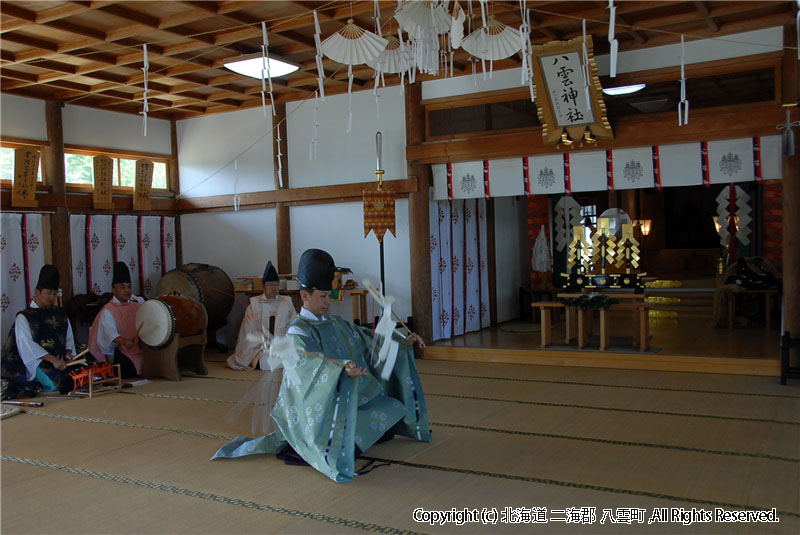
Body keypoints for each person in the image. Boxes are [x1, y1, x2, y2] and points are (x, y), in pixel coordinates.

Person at [213, 248, 432, 482]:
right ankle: (313, 444)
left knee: (395, 409)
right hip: (316, 412)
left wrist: (400, 341)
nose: (328, 302)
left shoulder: (334, 323)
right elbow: (307, 368)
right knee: (347, 440)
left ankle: (346, 439)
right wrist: (340, 370)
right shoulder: (298, 332)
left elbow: (367, 340)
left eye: (330, 296)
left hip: (347, 401)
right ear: (305, 295)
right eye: (323, 297)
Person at [1, 265, 76, 395]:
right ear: (37, 292)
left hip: (61, 361)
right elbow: (27, 346)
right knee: (58, 383)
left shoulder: (60, 314)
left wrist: (69, 352)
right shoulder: (24, 317)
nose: (52, 297)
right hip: (38, 362)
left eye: (54, 293)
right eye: (48, 293)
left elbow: (68, 337)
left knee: (83, 375)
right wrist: (52, 360)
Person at [227, 261, 297, 371]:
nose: (274, 288)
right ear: (264, 286)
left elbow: (294, 325)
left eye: (276, 285)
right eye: (270, 285)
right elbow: (248, 331)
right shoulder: (255, 305)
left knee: (295, 356)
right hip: (261, 347)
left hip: (282, 345)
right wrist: (264, 343)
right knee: (265, 361)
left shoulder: (286, 303)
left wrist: (282, 341)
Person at [87, 262, 144, 378]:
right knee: (128, 369)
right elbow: (110, 335)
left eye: (129, 287)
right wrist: (123, 341)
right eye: (122, 287)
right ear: (113, 289)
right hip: (119, 350)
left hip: (138, 348)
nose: (127, 290)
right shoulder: (108, 310)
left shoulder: (136, 306)